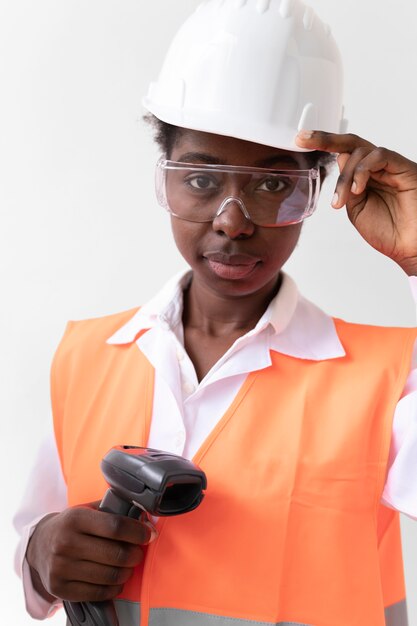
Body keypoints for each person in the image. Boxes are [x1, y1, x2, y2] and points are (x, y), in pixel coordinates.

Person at [13, 0, 417, 625]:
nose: (233, 221)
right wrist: (40, 553)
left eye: (274, 185)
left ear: (322, 188)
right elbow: (34, 534)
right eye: (201, 180)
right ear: (164, 177)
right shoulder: (85, 356)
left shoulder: (390, 380)